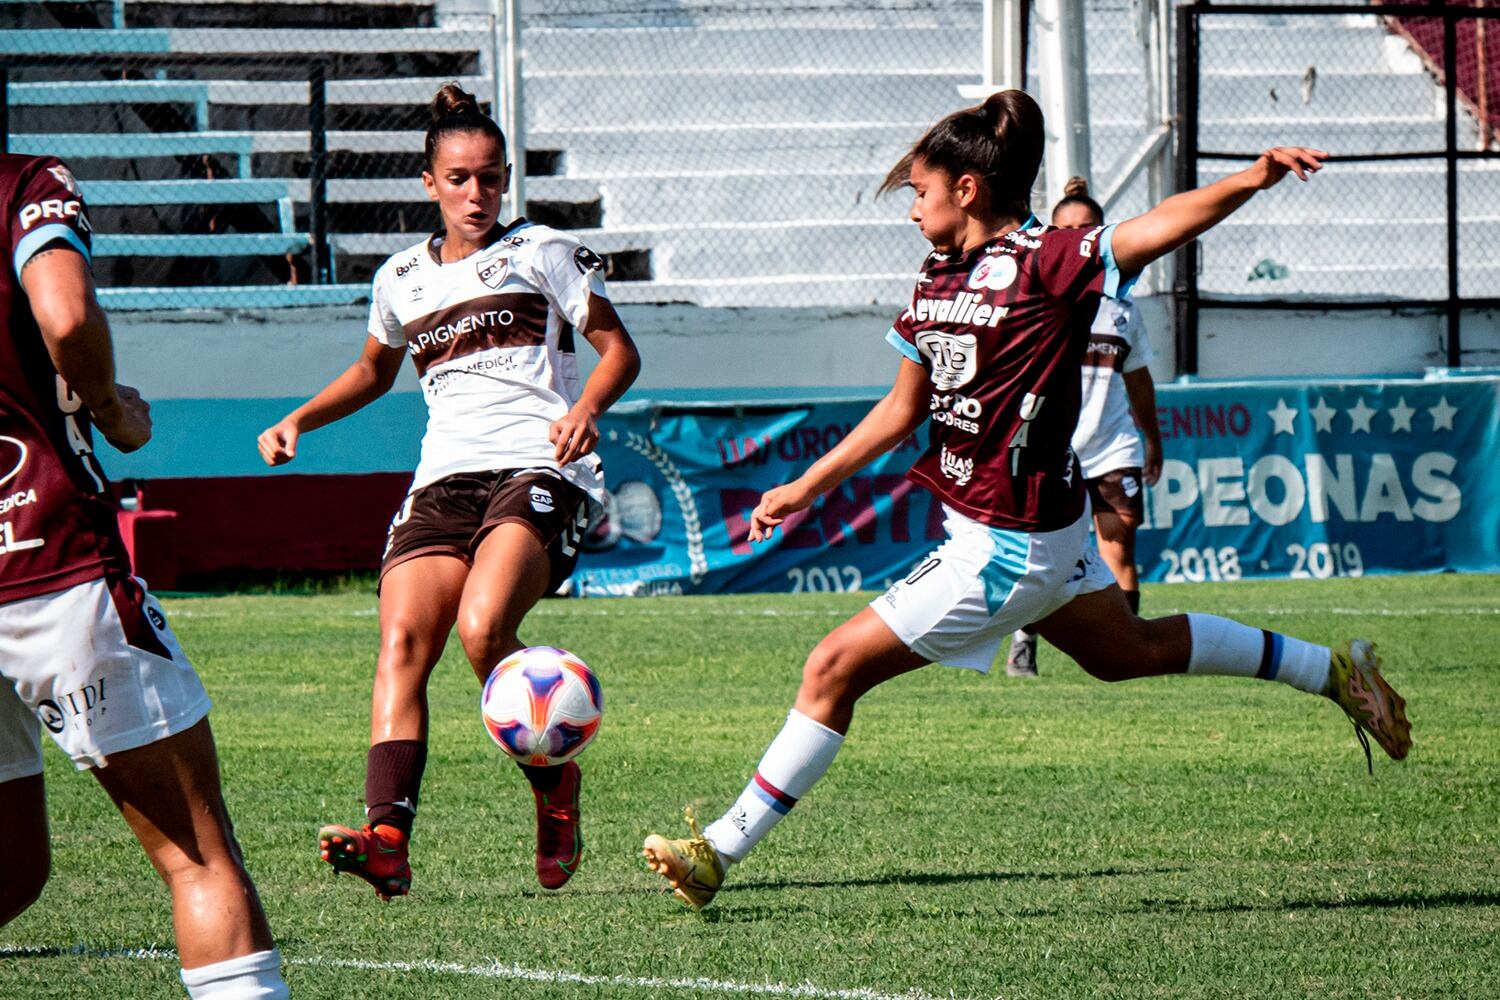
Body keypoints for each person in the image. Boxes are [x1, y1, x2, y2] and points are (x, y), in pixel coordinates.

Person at [642, 90, 1410, 910]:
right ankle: (1328, 672)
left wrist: (1251, 178)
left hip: (1007, 543)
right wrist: (804, 486)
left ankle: (717, 849)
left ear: (966, 189)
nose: (912, 211)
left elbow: (1159, 225)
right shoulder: (938, 274)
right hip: (1038, 527)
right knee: (1128, 654)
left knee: (831, 668)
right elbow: (901, 410)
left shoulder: (1053, 258)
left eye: (920, 191)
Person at [257, 83, 640, 899]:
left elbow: (618, 351)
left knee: (481, 627)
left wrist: (585, 408)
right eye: (460, 179)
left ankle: (552, 780)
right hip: (442, 482)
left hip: (538, 470)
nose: (477, 194)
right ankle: (388, 840)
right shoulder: (400, 277)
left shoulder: (544, 251)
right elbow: (372, 370)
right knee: (400, 646)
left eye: (492, 178)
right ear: (429, 183)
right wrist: (300, 419)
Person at [0, 153, 289, 997]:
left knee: (11, 866)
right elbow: (64, 311)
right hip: (46, 562)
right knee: (198, 857)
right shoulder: (24, 183)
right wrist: (113, 408)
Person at [1006, 177, 1163, 677]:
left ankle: (1127, 647)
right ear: (1053, 233)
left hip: (1113, 444)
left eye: (1087, 228)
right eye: (1067, 227)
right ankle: (1024, 641)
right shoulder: (1037, 299)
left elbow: (1137, 378)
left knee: (1119, 544)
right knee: (1043, 554)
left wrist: (1152, 438)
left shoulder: (1123, 308)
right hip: (1054, 447)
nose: (1078, 236)